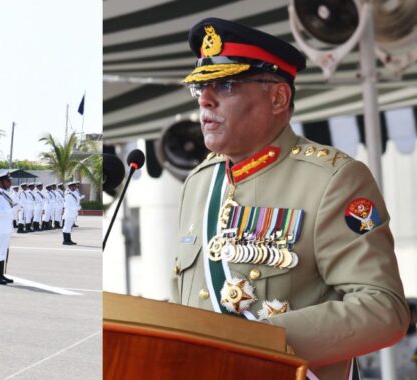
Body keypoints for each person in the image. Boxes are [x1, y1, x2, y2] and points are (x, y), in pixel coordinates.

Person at [172, 18, 408, 380]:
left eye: (226, 84)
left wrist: (258, 341)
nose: (205, 98)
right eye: (201, 86)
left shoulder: (333, 180)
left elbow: (384, 310)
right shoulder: (199, 182)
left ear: (278, 98)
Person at [0, 173, 17, 285]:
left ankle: (0, 274)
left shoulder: (6, 195)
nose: (10, 183)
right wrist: (12, 210)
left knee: (2, 252)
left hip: (6, 227)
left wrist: (16, 207)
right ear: (1, 183)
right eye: (7, 181)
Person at [62, 182, 81, 246]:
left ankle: (69, 240)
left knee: (69, 227)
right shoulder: (68, 195)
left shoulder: (74, 193)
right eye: (72, 186)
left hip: (73, 213)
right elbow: (70, 205)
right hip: (69, 213)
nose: (74, 187)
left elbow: (77, 202)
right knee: (67, 226)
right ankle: (65, 240)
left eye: (75, 186)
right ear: (69, 187)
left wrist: (78, 207)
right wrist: (78, 208)